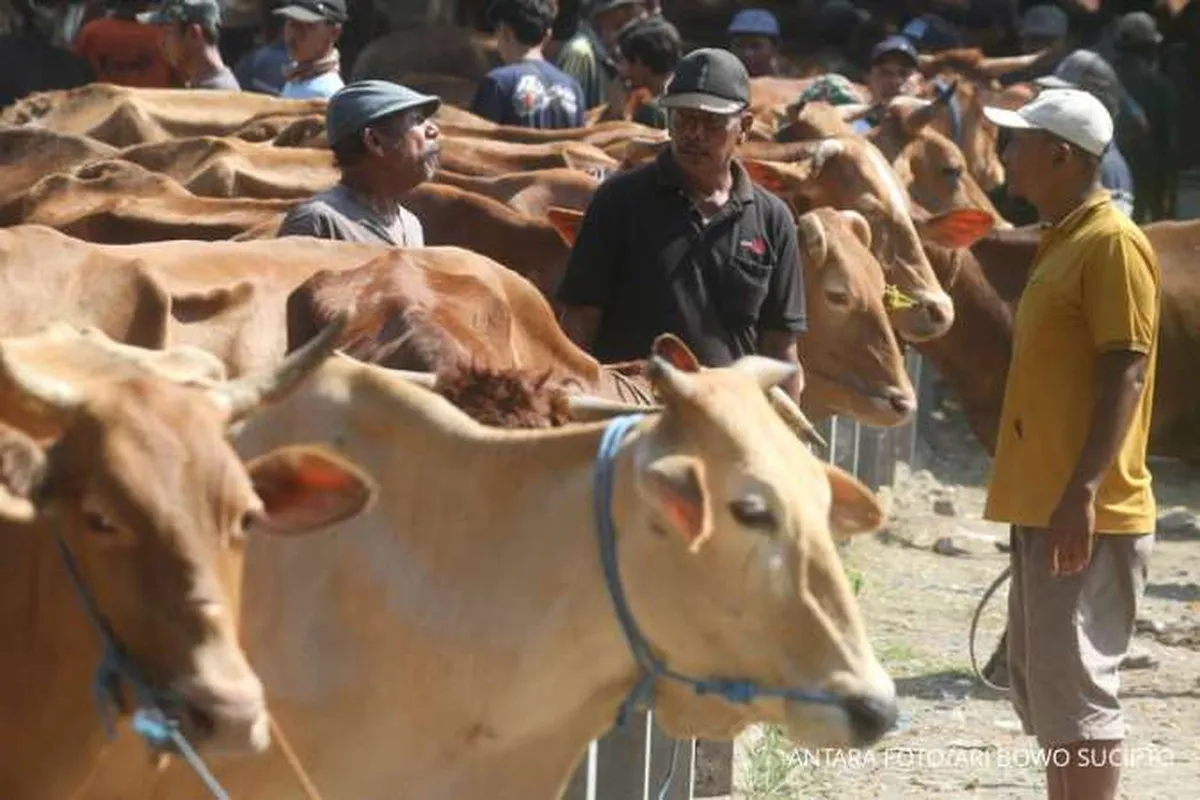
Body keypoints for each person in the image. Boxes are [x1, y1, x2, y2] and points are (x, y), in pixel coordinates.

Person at [982, 87, 1159, 800]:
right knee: (1054, 697)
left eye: (1018, 143)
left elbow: (1129, 364)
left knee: (1080, 699)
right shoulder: (1064, 236)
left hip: (1084, 507)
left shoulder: (1112, 243)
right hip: (1049, 500)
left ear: (1061, 155)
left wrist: (1083, 492)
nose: (1006, 155)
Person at [556, 48, 806, 399]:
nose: (694, 133)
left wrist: (785, 437)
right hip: (632, 411)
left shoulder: (773, 219)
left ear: (745, 127)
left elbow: (781, 347)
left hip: (729, 419)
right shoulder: (619, 201)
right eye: (683, 118)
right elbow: (579, 321)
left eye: (712, 122)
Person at [277, 80, 441, 246]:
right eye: (417, 120)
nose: (434, 130)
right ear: (374, 141)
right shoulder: (317, 222)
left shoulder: (411, 225)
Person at [1036, 50, 1137, 218]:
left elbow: (1106, 238)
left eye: (1066, 97)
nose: (1056, 105)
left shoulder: (1107, 166)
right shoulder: (1080, 156)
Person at [471, 0, 585, 129]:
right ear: (547, 36)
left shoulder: (497, 83)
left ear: (505, 32)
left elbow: (477, 141)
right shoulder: (573, 88)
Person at [1111, 11, 1180, 221]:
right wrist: (1168, 197)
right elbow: (1169, 146)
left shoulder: (1101, 79)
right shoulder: (1161, 88)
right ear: (1151, 49)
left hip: (1107, 180)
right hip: (1146, 181)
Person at [555, 0, 646, 109]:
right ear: (605, 12)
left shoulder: (606, 53)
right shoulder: (580, 53)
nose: (631, 14)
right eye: (625, 8)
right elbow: (565, 111)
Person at [138, 0, 240, 90]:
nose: (160, 42)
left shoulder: (219, 93)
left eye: (167, 32)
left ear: (193, 33)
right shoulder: (201, 85)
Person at [73, 0, 175, 87]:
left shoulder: (91, 31)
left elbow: (75, 72)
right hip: (150, 105)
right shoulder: (158, 37)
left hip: (101, 104)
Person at [614, 14, 681, 129]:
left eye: (627, 63)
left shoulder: (652, 112)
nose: (623, 73)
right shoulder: (684, 97)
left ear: (640, 61)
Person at [273, 0, 346, 99]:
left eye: (308, 25)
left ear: (334, 33)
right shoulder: (295, 77)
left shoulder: (328, 93)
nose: (295, 34)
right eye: (291, 23)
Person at [849, 35, 920, 134]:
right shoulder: (855, 130)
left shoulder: (938, 124)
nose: (895, 81)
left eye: (904, 73)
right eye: (885, 72)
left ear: (919, 80)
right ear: (867, 78)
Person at [727, 7, 780, 77]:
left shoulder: (792, 83)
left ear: (774, 49)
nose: (747, 53)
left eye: (755, 46)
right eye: (739, 45)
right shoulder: (717, 82)